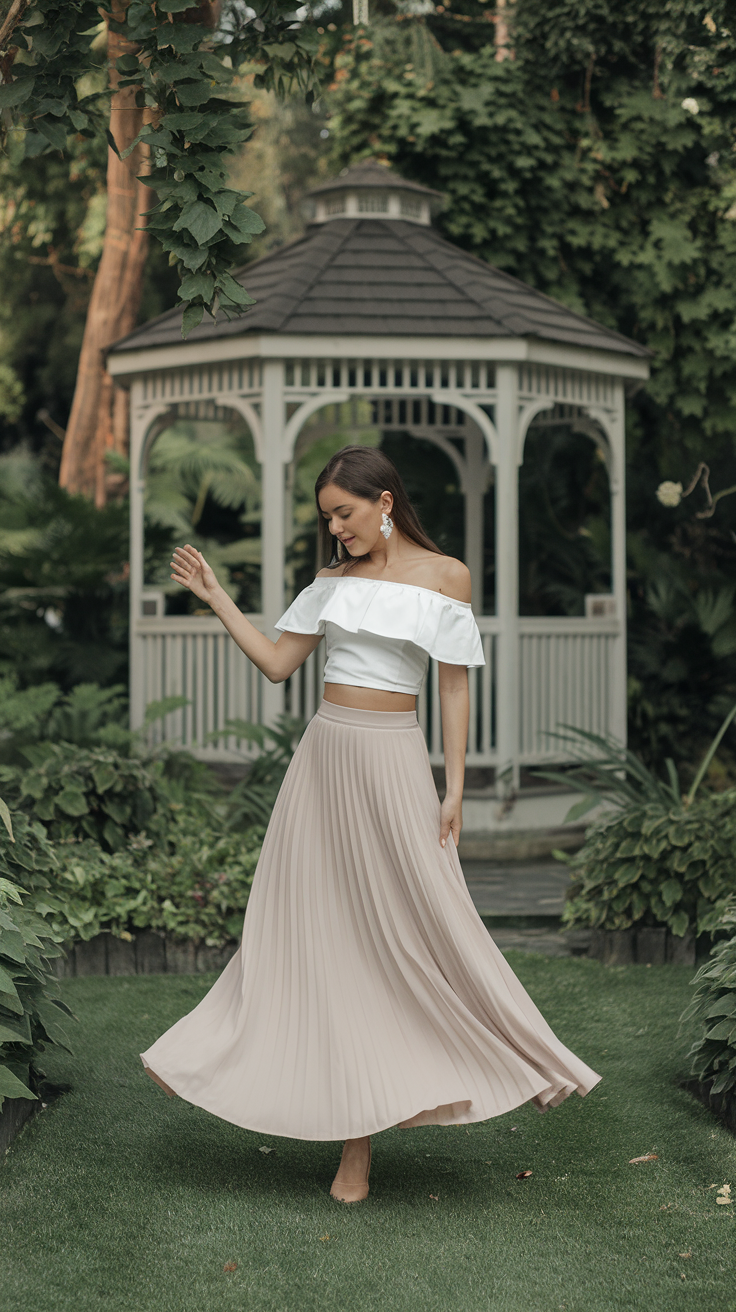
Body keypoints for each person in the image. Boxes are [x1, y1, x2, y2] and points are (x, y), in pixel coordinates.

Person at [140, 445, 600, 1204]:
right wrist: (218, 596)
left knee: (426, 930)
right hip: (321, 766)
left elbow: (455, 687)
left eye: (344, 513)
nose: (336, 528)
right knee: (313, 940)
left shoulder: (446, 577)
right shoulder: (330, 582)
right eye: (326, 518)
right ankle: (326, 1130)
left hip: (393, 766)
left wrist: (453, 787)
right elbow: (278, 665)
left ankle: (522, 1057)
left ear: (384, 500)